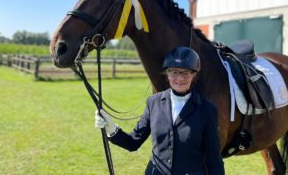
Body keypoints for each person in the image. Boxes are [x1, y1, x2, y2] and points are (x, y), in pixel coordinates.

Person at [95, 46, 225, 175]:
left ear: (193, 75)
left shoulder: (207, 109)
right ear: (167, 74)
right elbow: (133, 142)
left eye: (185, 72)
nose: (180, 78)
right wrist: (111, 128)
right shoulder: (153, 103)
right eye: (174, 72)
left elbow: (213, 157)